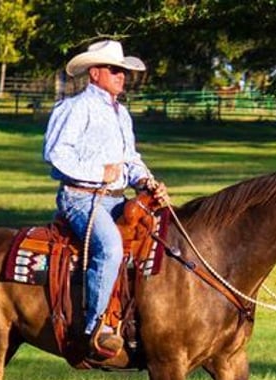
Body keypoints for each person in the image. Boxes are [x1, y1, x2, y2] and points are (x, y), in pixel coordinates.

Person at [43, 40, 168, 358]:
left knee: (160, 240)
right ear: (95, 73)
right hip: (81, 199)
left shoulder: (122, 114)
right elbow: (56, 156)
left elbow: (130, 158)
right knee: (110, 248)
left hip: (117, 198)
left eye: (123, 70)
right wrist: (100, 172)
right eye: (114, 69)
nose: (121, 75)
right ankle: (95, 327)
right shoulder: (73, 108)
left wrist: (146, 180)